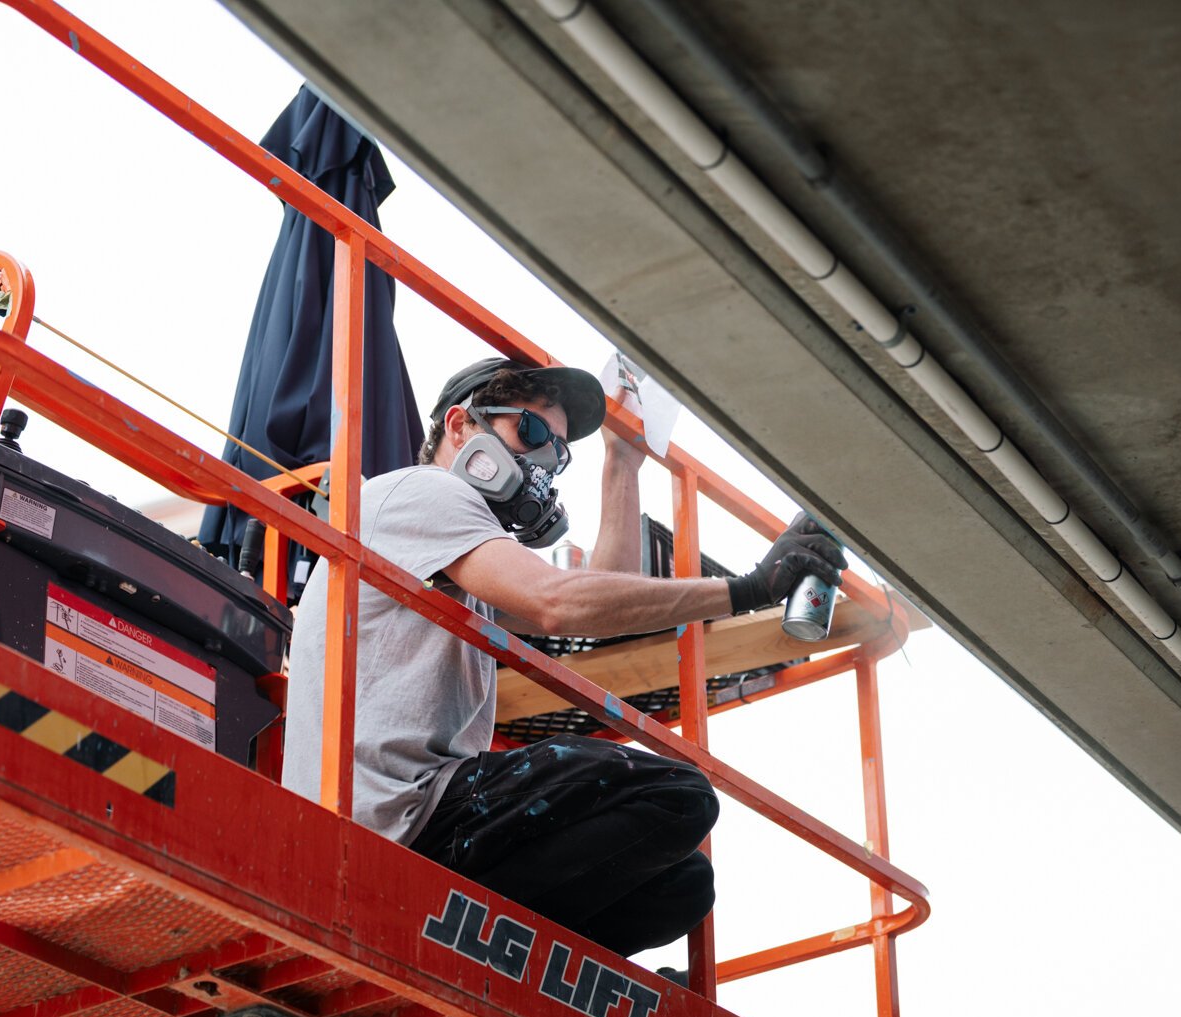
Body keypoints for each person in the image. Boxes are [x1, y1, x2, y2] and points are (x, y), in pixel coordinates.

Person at [282, 357, 846, 958]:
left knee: (682, 887)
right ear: (460, 426)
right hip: (390, 811)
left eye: (556, 451)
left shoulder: (461, 556)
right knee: (677, 796)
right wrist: (750, 590)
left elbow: (605, 594)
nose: (539, 460)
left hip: (417, 816)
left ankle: (477, 951)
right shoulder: (422, 491)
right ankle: (443, 931)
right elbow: (557, 603)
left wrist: (622, 462)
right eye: (529, 432)